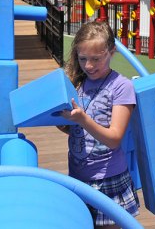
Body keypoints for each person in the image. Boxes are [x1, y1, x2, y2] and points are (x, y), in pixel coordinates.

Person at [58, 21, 139, 229]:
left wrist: (82, 119)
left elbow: (114, 138)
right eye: (83, 58)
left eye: (96, 59)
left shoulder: (122, 87)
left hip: (107, 179)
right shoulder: (77, 82)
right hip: (78, 177)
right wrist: (61, 121)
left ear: (112, 52)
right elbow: (75, 130)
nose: (89, 66)